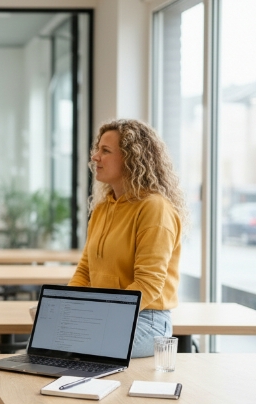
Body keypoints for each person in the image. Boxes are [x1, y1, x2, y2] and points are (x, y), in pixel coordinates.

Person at [68, 119, 187, 358]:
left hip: (147, 321)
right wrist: (67, 309)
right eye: (97, 149)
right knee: (44, 345)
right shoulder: (103, 209)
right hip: (105, 314)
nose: (95, 157)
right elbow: (85, 271)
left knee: (77, 349)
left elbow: (148, 285)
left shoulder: (154, 208)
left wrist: (100, 320)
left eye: (106, 151)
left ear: (131, 158)